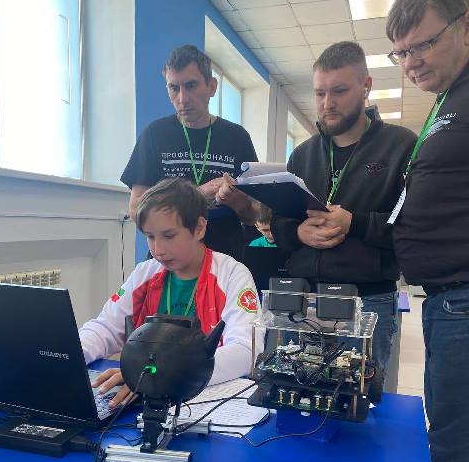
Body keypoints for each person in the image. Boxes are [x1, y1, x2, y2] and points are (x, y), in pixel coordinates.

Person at [386, 0, 469, 462]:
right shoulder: (446, 104)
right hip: (444, 303)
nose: (411, 61)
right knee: (454, 453)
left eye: (422, 44)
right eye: (400, 52)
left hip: (463, 299)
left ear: (465, 25)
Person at [271, 41, 416, 378]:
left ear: (366, 86)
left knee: (359, 398)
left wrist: (355, 223)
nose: (328, 103)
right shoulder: (302, 155)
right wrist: (297, 232)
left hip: (368, 301)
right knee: (298, 394)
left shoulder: (400, 146)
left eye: (339, 91)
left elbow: (411, 228)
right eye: (320, 93)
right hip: (302, 301)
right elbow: (279, 223)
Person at [79, 178, 262, 407]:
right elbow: (105, 327)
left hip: (205, 401)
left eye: (168, 236)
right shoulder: (145, 273)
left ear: (199, 228)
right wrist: (70, 355)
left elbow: (247, 350)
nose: (158, 250)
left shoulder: (232, 274)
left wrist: (153, 373)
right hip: (147, 398)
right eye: (150, 236)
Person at [121, 44, 259, 261]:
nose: (183, 98)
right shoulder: (155, 135)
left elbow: (254, 215)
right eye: (174, 88)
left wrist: (237, 201)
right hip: (167, 261)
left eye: (191, 85)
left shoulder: (237, 137)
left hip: (223, 261)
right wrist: (198, 195)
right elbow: (136, 209)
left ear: (211, 87)